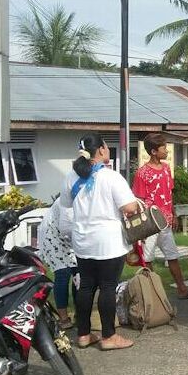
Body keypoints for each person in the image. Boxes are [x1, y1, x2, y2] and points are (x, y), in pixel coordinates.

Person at [61, 133, 137, 351]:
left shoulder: (70, 177)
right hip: (108, 242)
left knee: (86, 286)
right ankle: (108, 336)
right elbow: (130, 208)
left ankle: (83, 335)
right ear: (102, 150)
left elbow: (66, 206)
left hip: (82, 241)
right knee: (107, 287)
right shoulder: (111, 177)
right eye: (106, 146)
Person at [133, 134, 188, 300]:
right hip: (150, 223)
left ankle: (182, 289)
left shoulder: (166, 169)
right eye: (163, 148)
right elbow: (139, 200)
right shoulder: (142, 173)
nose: (167, 151)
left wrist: (174, 214)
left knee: (172, 255)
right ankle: (154, 293)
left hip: (166, 222)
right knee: (147, 259)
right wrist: (140, 228)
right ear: (154, 151)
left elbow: (169, 193)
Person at [37, 196, 77, 330]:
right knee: (63, 274)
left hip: (69, 236)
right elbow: (67, 227)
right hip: (53, 236)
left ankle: (80, 314)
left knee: (78, 274)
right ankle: (64, 318)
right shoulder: (67, 201)